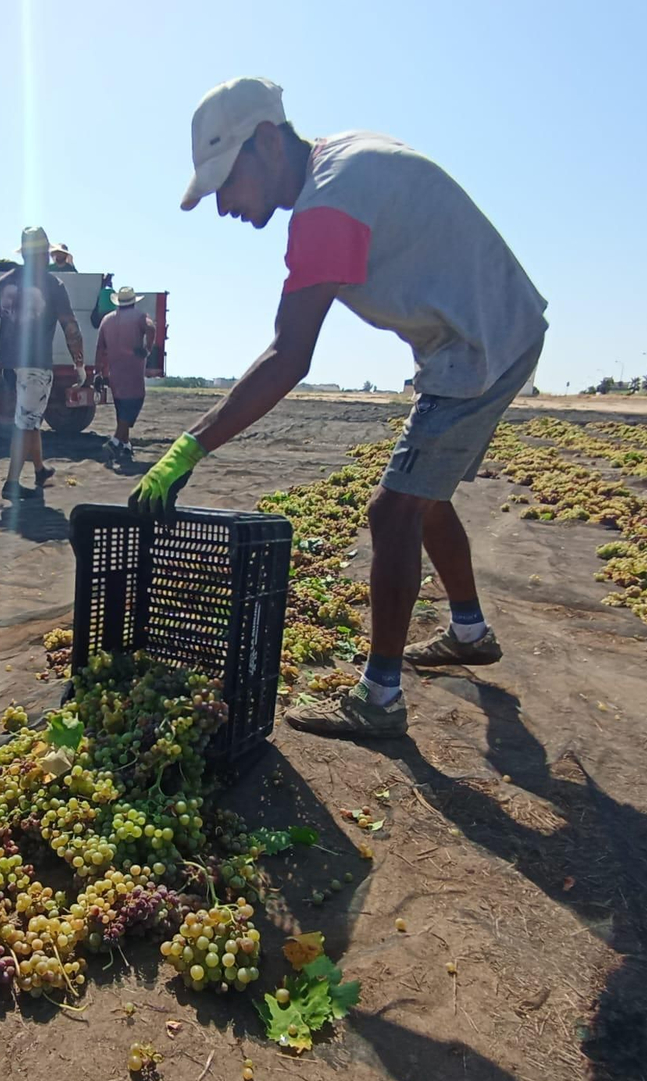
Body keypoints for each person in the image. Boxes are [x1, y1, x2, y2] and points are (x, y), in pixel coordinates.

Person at [130, 77, 547, 739]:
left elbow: (290, 357)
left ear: (267, 143)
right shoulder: (342, 161)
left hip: (477, 345)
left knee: (394, 510)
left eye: (225, 183)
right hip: (483, 331)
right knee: (425, 495)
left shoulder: (327, 204)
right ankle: (468, 629)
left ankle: (378, 700)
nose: (223, 206)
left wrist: (191, 447)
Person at [0, 226, 87, 502]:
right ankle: (11, 483)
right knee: (26, 423)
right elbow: (70, 328)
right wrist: (80, 366)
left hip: (8, 364)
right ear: (44, 255)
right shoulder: (53, 286)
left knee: (29, 417)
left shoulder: (2, 282)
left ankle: (39, 470)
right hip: (36, 364)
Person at [94, 285, 156, 468]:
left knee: (122, 408)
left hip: (115, 371)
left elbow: (100, 348)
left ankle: (126, 445)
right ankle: (114, 442)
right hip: (133, 370)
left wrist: (98, 371)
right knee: (133, 405)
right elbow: (151, 328)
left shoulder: (107, 320)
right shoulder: (140, 316)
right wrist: (147, 349)